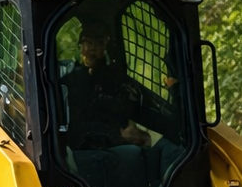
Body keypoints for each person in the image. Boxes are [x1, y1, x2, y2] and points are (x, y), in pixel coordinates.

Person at [60, 17, 176, 149]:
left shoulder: (118, 80)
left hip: (115, 142)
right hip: (81, 145)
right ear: (80, 46)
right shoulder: (69, 82)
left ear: (107, 46)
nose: (93, 47)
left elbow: (136, 111)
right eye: (88, 41)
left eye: (99, 42)